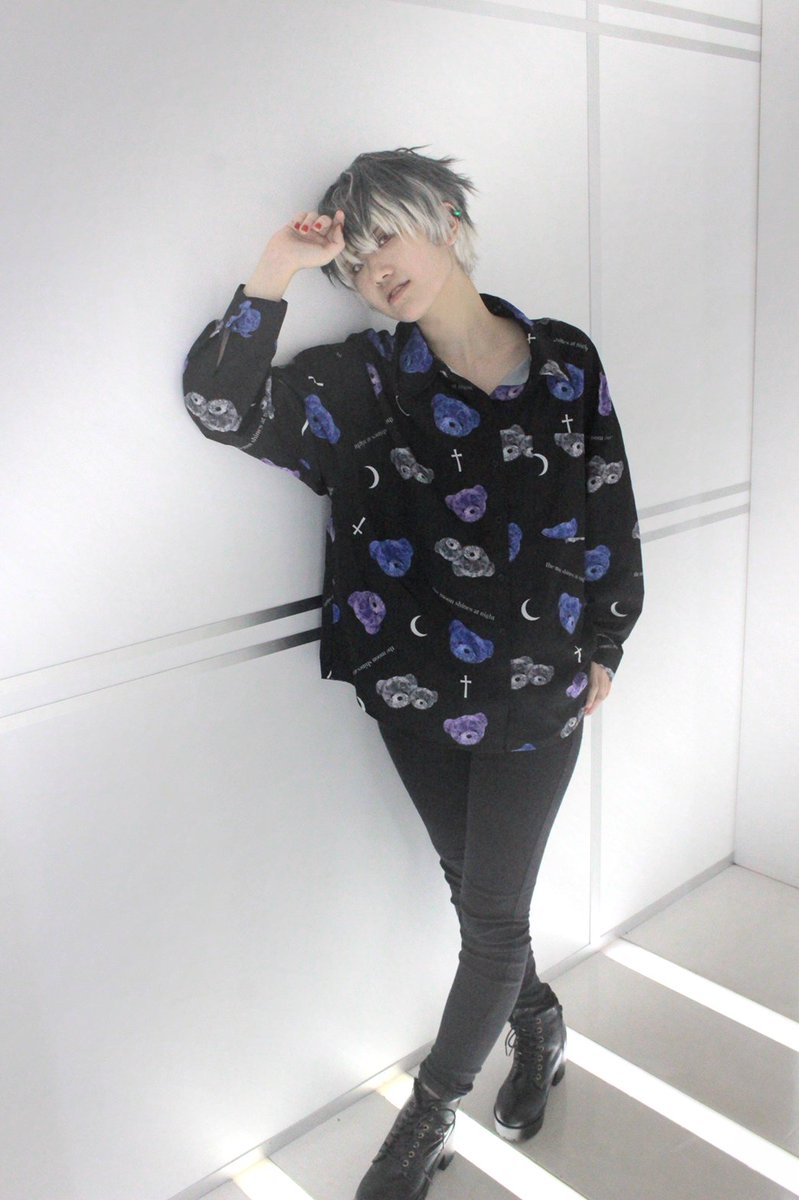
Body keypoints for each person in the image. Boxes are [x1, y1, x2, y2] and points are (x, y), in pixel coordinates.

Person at [182, 145, 644, 1200]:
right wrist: (277, 270)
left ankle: (425, 1119)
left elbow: (607, 494)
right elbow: (219, 405)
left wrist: (608, 639)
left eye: (384, 237)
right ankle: (538, 1022)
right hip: (413, 688)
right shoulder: (360, 381)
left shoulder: (565, 360)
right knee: (475, 895)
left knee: (491, 919)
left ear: (445, 218)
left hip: (540, 692)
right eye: (354, 264)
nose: (373, 270)